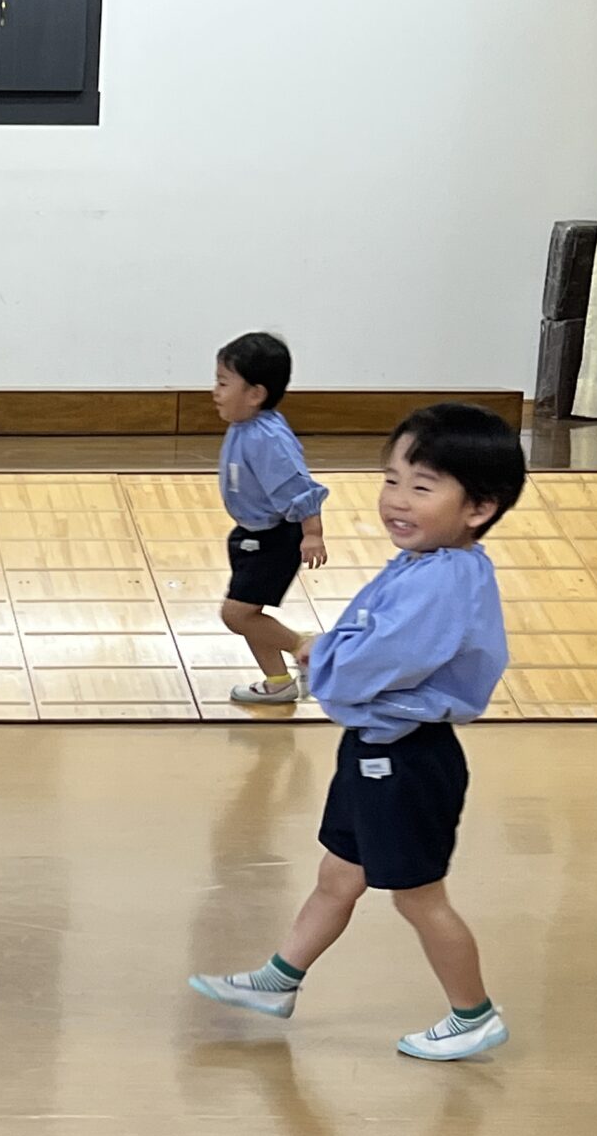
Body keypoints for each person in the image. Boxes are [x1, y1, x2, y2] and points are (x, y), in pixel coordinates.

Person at [190, 405, 523, 1063]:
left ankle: (474, 1014)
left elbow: (382, 659)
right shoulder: (430, 561)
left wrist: (324, 662)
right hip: (376, 748)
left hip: (405, 758)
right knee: (339, 874)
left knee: (418, 897)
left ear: (478, 508)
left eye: (422, 487)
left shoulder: (443, 580)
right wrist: (329, 651)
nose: (397, 499)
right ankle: (279, 980)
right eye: (391, 479)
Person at [211, 331, 330, 703]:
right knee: (251, 615)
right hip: (251, 534)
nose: (215, 391)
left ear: (255, 394)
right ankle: (278, 681)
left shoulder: (267, 439)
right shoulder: (245, 426)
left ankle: (307, 648)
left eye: (223, 383)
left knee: (237, 615)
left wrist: (312, 533)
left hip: (276, 539)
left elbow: (299, 487)